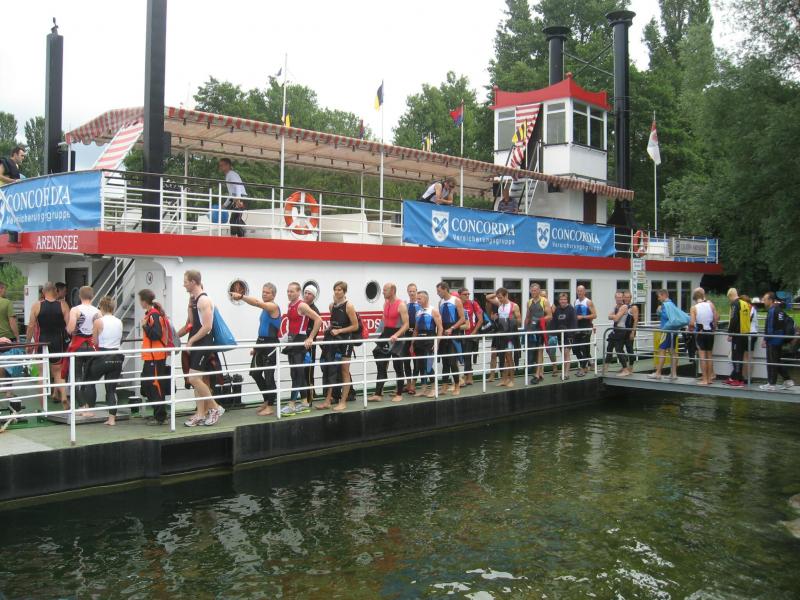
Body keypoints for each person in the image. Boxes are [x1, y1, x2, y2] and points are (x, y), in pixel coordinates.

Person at [178, 269, 225, 426]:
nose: (184, 285)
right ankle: (200, 414)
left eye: (185, 282)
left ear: (193, 282)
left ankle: (215, 408)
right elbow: (191, 323)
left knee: (193, 378)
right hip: (197, 344)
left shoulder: (204, 300)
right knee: (196, 380)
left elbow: (207, 327)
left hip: (203, 344)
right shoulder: (195, 301)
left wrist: (191, 341)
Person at [230, 283, 281, 416]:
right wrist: (256, 347)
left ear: (273, 295)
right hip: (261, 344)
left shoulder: (273, 307)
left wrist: (241, 297)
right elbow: (263, 328)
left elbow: (257, 303)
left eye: (267, 292)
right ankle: (266, 400)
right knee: (255, 373)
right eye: (263, 292)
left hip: (271, 345)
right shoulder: (265, 309)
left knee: (269, 377)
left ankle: (270, 406)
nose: (264, 294)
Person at [316, 281, 359, 411]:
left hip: (346, 341)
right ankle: (328, 400)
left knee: (344, 370)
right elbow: (334, 322)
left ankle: (343, 401)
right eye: (335, 289)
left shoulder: (349, 306)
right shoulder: (332, 306)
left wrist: (340, 331)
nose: (337, 291)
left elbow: (355, 326)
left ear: (344, 291)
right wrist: (329, 329)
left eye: (339, 289)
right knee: (331, 369)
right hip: (334, 340)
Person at [283, 282, 323, 416]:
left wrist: (310, 337)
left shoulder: (302, 305)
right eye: (288, 291)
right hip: (292, 341)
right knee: (295, 373)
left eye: (292, 291)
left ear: (298, 292)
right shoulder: (290, 305)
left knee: (297, 373)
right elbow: (292, 325)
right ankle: (305, 402)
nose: (289, 293)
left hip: (300, 341)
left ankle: (292, 404)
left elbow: (318, 319)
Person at [83, 296, 124, 426]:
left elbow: (94, 341)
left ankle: (89, 410)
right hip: (117, 356)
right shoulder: (119, 321)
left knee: (90, 381)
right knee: (111, 389)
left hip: (103, 355)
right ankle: (112, 419)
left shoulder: (98, 322)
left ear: (101, 307)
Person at [28, 282, 69, 408]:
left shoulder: (37, 305)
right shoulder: (63, 305)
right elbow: (69, 327)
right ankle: (63, 396)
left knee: (42, 373)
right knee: (58, 372)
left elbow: (31, 326)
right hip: (58, 341)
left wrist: (28, 343)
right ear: (55, 291)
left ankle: (43, 405)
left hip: (42, 341)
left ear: (43, 292)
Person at [370, 283, 410, 402]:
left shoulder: (401, 305)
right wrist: (376, 334)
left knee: (398, 366)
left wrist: (396, 335)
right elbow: (384, 320)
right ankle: (378, 394)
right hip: (386, 334)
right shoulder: (385, 303)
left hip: (397, 336)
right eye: (383, 290)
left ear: (392, 291)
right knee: (381, 363)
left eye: (385, 290)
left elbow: (406, 325)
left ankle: (399, 394)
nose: (383, 292)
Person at [65, 286, 101, 413]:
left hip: (78, 346)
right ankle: (91, 408)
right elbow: (101, 330)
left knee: (77, 378)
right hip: (92, 346)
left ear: (79, 296)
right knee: (90, 379)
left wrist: (71, 329)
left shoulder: (75, 310)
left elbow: (70, 329)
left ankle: (82, 406)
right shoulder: (98, 311)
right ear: (92, 296)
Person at [138, 289, 171, 425]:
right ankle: (158, 414)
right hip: (152, 356)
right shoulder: (152, 314)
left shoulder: (154, 315)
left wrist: (145, 327)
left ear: (144, 301)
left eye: (140, 300)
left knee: (155, 385)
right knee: (148, 385)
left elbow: (156, 334)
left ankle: (160, 417)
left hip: (155, 357)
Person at [434, 282, 466, 394]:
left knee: (452, 361)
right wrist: (438, 337)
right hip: (444, 334)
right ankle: (444, 386)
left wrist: (452, 328)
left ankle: (457, 386)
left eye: (439, 291)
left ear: (445, 289)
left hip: (454, 334)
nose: (437, 293)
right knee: (445, 362)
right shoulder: (440, 302)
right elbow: (440, 321)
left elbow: (462, 319)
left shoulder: (456, 300)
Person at [486, 288, 520, 387]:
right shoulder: (500, 304)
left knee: (509, 356)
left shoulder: (514, 306)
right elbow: (488, 298)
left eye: (501, 297)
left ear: (506, 295)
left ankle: (512, 379)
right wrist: (496, 294)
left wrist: (511, 319)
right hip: (502, 334)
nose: (499, 299)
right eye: (498, 297)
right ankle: (504, 380)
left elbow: (519, 321)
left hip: (510, 335)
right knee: (503, 357)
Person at [760, 291, 794, 391]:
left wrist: (765, 339)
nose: (763, 301)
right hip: (780, 339)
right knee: (777, 361)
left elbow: (770, 328)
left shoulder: (772, 311)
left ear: (770, 300)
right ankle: (788, 380)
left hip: (772, 340)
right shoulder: (779, 310)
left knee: (771, 362)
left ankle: (771, 384)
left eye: (765, 299)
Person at [412, 291, 443, 398]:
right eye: (417, 298)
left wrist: (437, 343)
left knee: (428, 365)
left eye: (419, 298)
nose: (417, 301)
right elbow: (416, 330)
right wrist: (412, 343)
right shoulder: (418, 312)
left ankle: (434, 388)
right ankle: (424, 389)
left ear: (425, 299)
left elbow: (440, 328)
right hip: (419, 341)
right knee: (420, 365)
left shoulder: (433, 311)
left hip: (430, 340)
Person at [689, 288, 718, 386]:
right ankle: (709, 378)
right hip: (710, 332)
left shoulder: (694, 308)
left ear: (694, 298)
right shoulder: (711, 304)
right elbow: (715, 318)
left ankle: (704, 379)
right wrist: (714, 328)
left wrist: (690, 329)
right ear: (702, 296)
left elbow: (692, 323)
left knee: (702, 357)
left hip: (700, 333)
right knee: (709, 356)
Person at [648, 289, 679, 380]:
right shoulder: (672, 304)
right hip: (673, 331)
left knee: (662, 350)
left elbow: (668, 317)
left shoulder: (666, 305)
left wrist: (660, 311)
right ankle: (673, 374)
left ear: (664, 295)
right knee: (672, 351)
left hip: (667, 331)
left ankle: (658, 373)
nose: (658, 299)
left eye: (659, 296)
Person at [524, 283, 551, 384]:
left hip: (541, 329)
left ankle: (537, 374)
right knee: (534, 351)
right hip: (532, 329)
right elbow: (527, 317)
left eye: (535, 290)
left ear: (539, 291)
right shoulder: (529, 302)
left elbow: (550, 316)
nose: (533, 292)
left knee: (540, 350)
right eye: (532, 290)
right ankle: (540, 372)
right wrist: (525, 329)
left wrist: (540, 320)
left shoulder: (544, 301)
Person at [723, 288, 749, 387]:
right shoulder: (744, 303)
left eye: (729, 298)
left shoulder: (735, 304)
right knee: (740, 356)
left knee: (736, 357)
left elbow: (734, 318)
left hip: (737, 335)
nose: (729, 300)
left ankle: (738, 379)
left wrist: (730, 333)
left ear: (730, 295)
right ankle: (735, 377)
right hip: (745, 333)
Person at [0, 282, 19, 410]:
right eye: (4, 289)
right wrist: (17, 337)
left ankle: (2, 386)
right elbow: (12, 322)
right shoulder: (6, 303)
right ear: (1, 289)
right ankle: (8, 390)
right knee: (9, 364)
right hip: (7, 338)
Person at [459, 287, 484, 386]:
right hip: (460, 334)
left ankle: (468, 377)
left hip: (470, 334)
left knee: (468, 356)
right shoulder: (457, 304)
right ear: (460, 295)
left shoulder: (473, 303)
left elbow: (480, 320)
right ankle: (466, 377)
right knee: (462, 356)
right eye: (465, 294)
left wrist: (474, 332)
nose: (467, 296)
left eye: (468, 294)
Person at [302, 284, 322, 404]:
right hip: (301, 344)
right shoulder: (302, 307)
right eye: (305, 293)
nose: (306, 295)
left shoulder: (314, 310)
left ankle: (309, 399)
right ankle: (307, 395)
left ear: (314, 296)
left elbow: (317, 325)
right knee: (302, 371)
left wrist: (310, 338)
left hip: (309, 345)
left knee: (309, 372)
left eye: (309, 293)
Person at [218, 157, 247, 237]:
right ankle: (240, 234)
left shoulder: (231, 174)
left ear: (228, 165)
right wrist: (225, 205)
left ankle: (240, 235)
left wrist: (238, 199)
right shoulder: (229, 175)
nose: (220, 167)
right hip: (238, 198)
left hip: (240, 198)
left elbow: (237, 186)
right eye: (220, 165)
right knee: (235, 219)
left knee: (234, 220)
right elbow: (231, 193)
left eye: (222, 165)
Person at [551, 292, 577, 378]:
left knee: (566, 353)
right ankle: (564, 371)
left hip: (568, 336)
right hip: (559, 335)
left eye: (564, 299)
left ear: (567, 300)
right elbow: (554, 322)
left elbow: (574, 322)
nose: (563, 301)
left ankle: (566, 373)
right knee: (563, 354)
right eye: (561, 299)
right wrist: (553, 333)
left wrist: (571, 334)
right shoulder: (557, 310)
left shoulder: (571, 309)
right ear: (559, 301)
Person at [606, 291, 632, 376]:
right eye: (617, 297)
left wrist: (613, 316)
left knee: (618, 350)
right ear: (615, 298)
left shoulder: (624, 306)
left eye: (620, 297)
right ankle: (605, 367)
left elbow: (616, 319)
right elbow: (609, 316)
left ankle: (625, 370)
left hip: (621, 330)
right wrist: (614, 316)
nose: (619, 299)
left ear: (623, 298)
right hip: (615, 330)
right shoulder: (616, 306)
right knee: (609, 348)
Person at [573, 285, 596, 377]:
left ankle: (583, 368)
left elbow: (594, 315)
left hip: (586, 327)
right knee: (575, 348)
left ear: (584, 292)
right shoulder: (575, 301)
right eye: (578, 291)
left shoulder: (588, 302)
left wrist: (583, 317)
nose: (579, 292)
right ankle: (584, 365)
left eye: (581, 291)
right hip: (577, 327)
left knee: (585, 348)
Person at [402, 284, 421, 395]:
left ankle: (413, 384)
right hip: (407, 335)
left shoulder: (420, 305)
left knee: (416, 361)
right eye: (410, 291)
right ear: (407, 292)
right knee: (406, 361)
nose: (412, 293)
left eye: (414, 291)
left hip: (417, 336)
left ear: (416, 291)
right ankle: (408, 383)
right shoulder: (405, 305)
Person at [740, 294, 759, 380]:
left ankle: (745, 378)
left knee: (745, 357)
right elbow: (756, 323)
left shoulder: (745, 308)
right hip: (754, 333)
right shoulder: (754, 308)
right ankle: (749, 378)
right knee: (750, 357)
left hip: (747, 333)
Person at [622, 290, 639, 368]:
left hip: (630, 330)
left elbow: (636, 320)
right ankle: (625, 365)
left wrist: (633, 332)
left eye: (628, 297)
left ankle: (631, 367)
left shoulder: (633, 307)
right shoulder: (623, 306)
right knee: (619, 347)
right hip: (622, 331)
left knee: (629, 349)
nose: (626, 299)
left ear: (631, 298)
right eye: (625, 297)